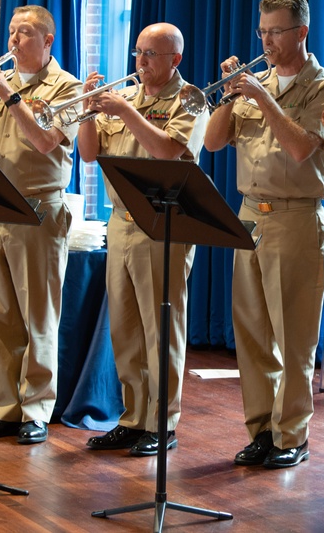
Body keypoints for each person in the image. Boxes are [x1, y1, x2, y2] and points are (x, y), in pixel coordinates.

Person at [204, 0, 324, 469]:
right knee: (253, 335)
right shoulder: (253, 81)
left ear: (301, 32)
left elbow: (303, 149)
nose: (266, 41)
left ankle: (292, 436)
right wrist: (230, 93)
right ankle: (261, 428)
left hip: (295, 217)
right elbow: (213, 141)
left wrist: (263, 98)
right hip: (249, 215)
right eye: (261, 32)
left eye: (275, 32)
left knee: (293, 334)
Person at [0, 5, 82, 444]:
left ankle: (37, 410)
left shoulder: (68, 87)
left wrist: (10, 95)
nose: (12, 41)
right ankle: (6, 407)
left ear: (48, 40)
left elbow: (46, 142)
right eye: (11, 32)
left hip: (40, 208)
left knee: (38, 315)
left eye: (23, 33)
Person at [77, 23, 207, 457]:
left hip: (163, 224)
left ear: (175, 59)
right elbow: (90, 154)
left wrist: (126, 113)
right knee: (126, 329)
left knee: (161, 329)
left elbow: (168, 151)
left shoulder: (189, 99)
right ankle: (133, 418)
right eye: (138, 53)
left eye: (151, 54)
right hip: (121, 221)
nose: (141, 62)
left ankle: (162, 422)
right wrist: (90, 112)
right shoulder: (127, 97)